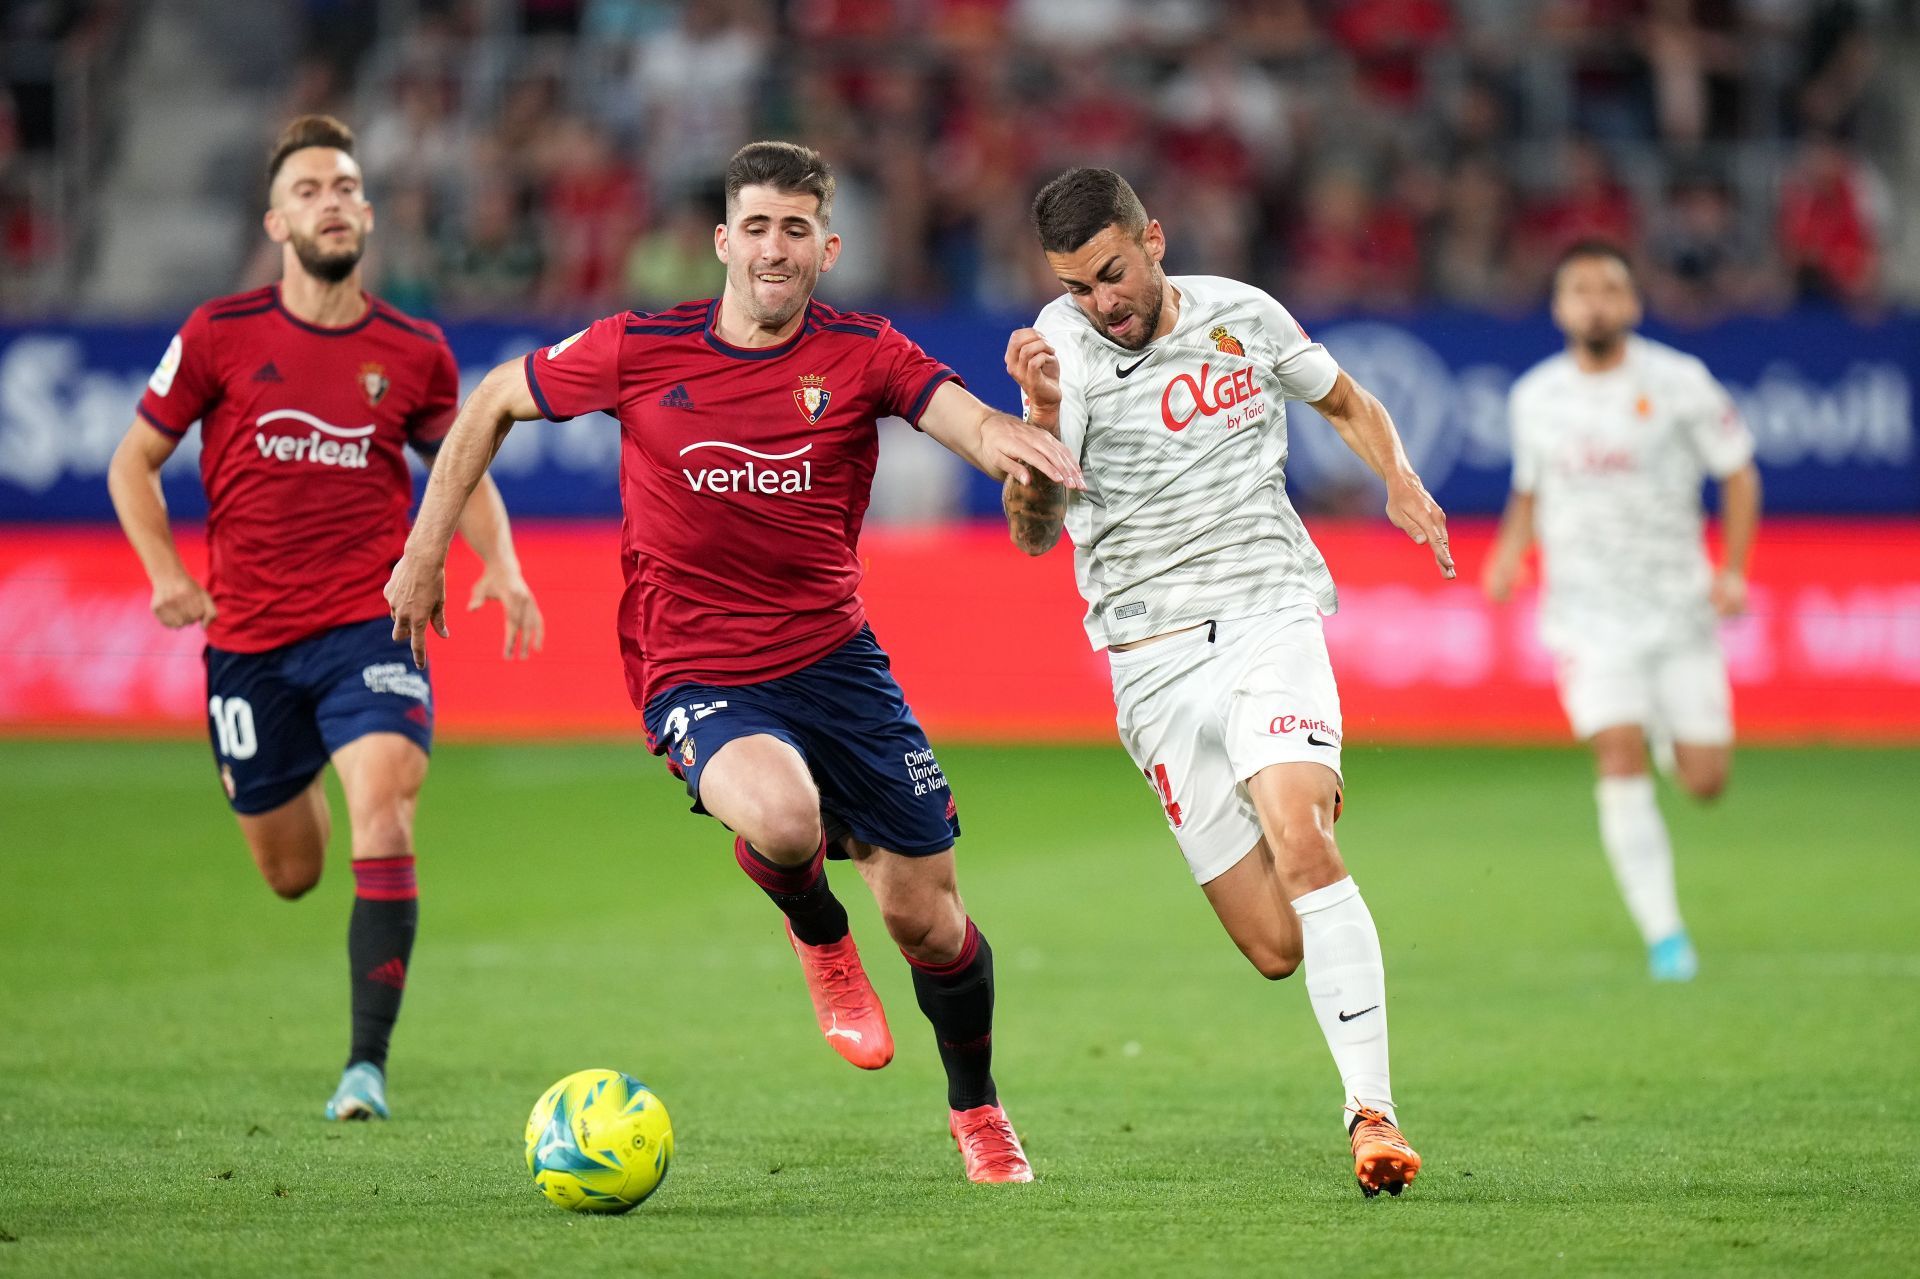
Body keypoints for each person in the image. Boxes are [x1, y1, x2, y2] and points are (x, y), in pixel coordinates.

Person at [384, 140, 1081, 1184]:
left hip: (838, 662)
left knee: (929, 920)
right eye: (755, 225)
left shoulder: (864, 353)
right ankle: (819, 934)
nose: (773, 247)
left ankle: (978, 1109)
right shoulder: (637, 347)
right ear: (720, 240)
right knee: (787, 816)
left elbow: (969, 426)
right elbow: (487, 403)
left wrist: (1025, 436)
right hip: (694, 660)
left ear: (827, 247)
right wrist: (427, 550)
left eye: (795, 229)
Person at [1000, 167, 1454, 1198]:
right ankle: (1302, 834)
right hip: (1149, 663)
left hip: (1266, 616)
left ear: (1152, 239)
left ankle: (1371, 1114)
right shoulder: (1059, 356)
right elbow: (1034, 537)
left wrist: (1400, 479)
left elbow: (1347, 399)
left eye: (1112, 272)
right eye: (1077, 287)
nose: (1101, 302)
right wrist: (1031, 442)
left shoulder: (1244, 316)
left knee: (1304, 835)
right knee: (1276, 946)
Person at [105, 114, 544, 1122]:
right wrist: (166, 571)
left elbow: (459, 464)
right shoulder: (219, 334)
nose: (331, 202)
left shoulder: (413, 348)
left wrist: (502, 564)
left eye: (345, 186)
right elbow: (133, 460)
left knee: (386, 802)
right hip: (249, 645)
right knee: (292, 873)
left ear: (368, 212)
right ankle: (292, 775)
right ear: (276, 219)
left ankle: (365, 1068)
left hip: (371, 625)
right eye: (308, 190)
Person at [1484, 241, 1761, 982]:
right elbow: (1530, 489)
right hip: (1585, 613)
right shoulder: (1535, 396)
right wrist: (1510, 552)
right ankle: (1665, 934)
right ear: (1559, 307)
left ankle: (1677, 738)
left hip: (1677, 608)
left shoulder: (1679, 382)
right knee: (1616, 747)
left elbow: (1738, 475)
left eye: (1610, 289)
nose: (1596, 302)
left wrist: (1733, 569)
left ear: (1633, 304)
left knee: (1704, 780)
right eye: (1581, 290)